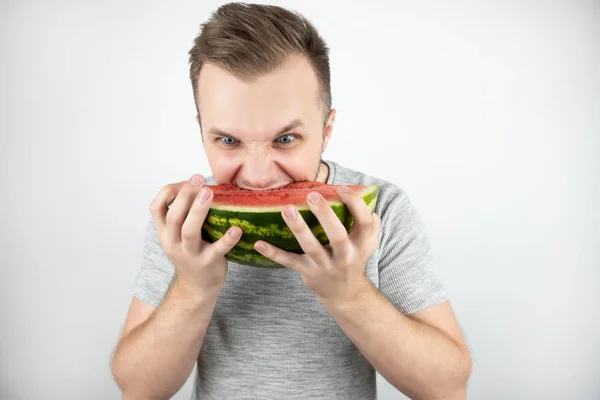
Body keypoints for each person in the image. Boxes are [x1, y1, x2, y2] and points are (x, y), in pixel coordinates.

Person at [111, 2, 472, 399]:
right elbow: (138, 389)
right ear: (202, 130)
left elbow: (447, 386)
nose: (259, 174)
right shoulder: (185, 220)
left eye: (285, 139)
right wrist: (193, 289)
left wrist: (349, 294)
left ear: (326, 128)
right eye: (228, 141)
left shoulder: (378, 210)